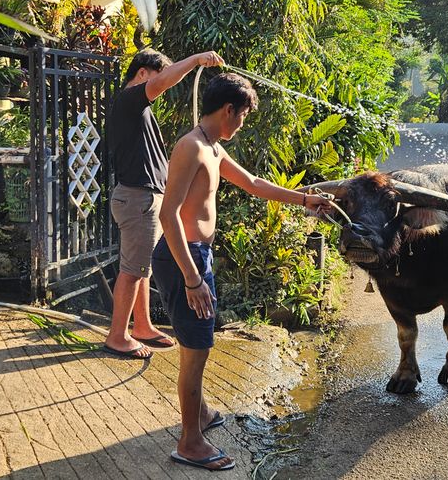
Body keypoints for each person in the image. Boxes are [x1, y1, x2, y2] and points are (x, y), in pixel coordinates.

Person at [153, 73, 332, 471]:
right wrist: (192, 278)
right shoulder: (191, 148)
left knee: (199, 340)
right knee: (196, 349)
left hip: (196, 256)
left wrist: (305, 199)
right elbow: (168, 216)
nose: (243, 124)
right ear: (228, 110)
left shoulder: (213, 149)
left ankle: (198, 417)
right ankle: (190, 443)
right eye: (243, 117)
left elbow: (252, 183)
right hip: (183, 258)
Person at [103, 48, 225, 359]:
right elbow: (165, 82)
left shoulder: (136, 110)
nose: (163, 85)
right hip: (137, 199)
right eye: (159, 76)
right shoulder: (130, 99)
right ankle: (118, 336)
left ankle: (141, 326)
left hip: (143, 198)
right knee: (131, 271)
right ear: (142, 73)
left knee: (141, 268)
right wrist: (196, 60)